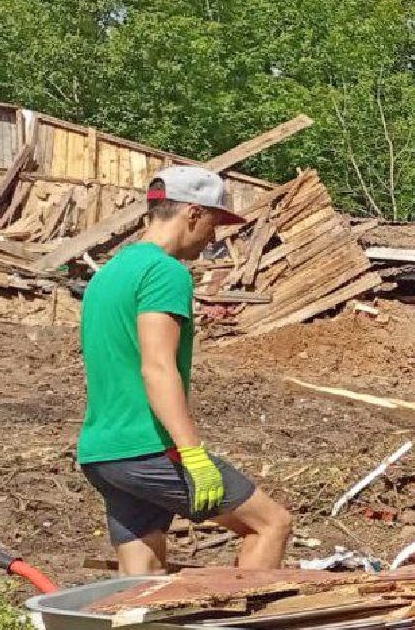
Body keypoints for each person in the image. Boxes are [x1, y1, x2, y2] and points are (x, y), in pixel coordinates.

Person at [78, 166, 293, 575]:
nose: (214, 238)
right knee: (269, 524)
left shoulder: (107, 276)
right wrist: (192, 454)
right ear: (192, 214)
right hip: (148, 447)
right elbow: (157, 368)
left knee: (142, 578)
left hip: (102, 453)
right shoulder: (164, 272)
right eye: (214, 222)